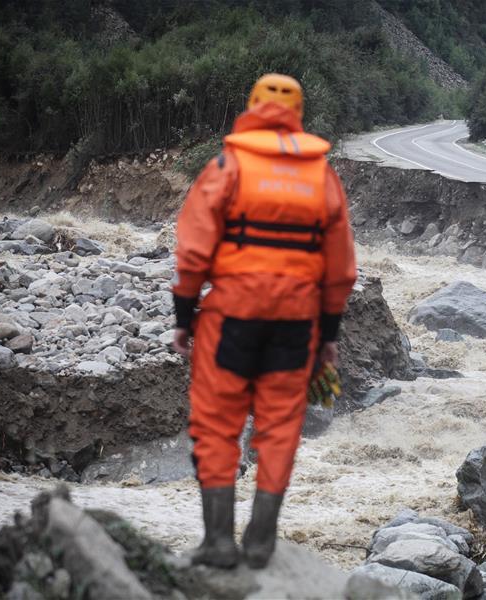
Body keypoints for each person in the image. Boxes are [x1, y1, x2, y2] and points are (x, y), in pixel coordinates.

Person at [170, 73, 356, 569]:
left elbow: (192, 252)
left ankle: (218, 541)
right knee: (279, 428)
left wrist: (183, 317)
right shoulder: (321, 174)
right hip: (298, 323)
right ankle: (260, 541)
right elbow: (340, 271)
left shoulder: (228, 165)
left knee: (216, 425)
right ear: (298, 113)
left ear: (251, 107)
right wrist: (330, 336)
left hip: (231, 316)